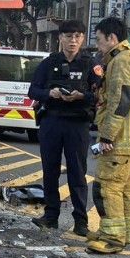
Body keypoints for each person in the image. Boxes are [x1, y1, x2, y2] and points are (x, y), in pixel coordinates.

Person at [27, 19, 97, 237]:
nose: (72, 41)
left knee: (77, 172)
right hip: (52, 122)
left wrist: (81, 96)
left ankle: (81, 221)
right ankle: (51, 216)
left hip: (78, 124)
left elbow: (99, 95)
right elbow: (33, 91)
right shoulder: (50, 63)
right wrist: (51, 93)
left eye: (77, 36)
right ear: (60, 38)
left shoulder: (90, 64)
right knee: (50, 170)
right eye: (68, 36)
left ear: (83, 38)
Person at [87, 16, 130, 255]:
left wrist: (107, 136)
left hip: (120, 140)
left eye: (99, 39)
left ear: (112, 38)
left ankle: (112, 239)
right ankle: (121, 234)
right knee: (121, 190)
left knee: (107, 188)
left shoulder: (121, 61)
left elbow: (121, 100)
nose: (98, 45)